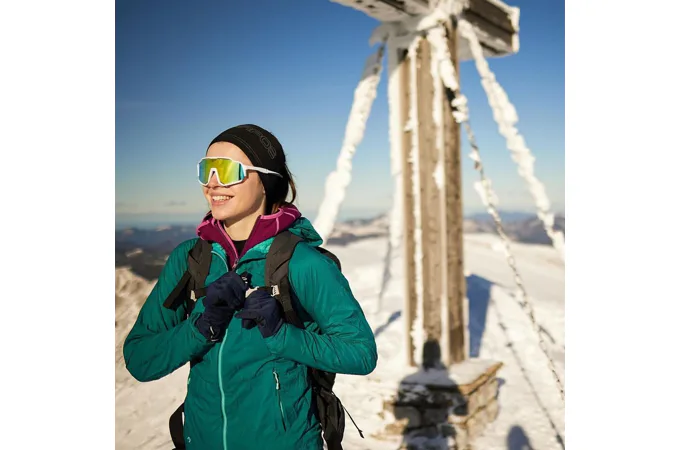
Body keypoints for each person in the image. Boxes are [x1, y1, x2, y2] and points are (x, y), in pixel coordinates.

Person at [123, 124, 378, 450]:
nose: (212, 183)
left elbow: (360, 353)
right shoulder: (190, 260)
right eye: (205, 170)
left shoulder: (303, 263)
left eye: (227, 170)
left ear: (266, 180)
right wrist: (199, 327)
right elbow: (140, 360)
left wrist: (282, 335)